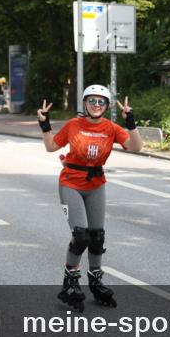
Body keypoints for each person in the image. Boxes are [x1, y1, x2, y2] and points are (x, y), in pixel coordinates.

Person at [37, 85, 143, 311]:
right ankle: (70, 281)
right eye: (92, 101)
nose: (96, 105)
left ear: (106, 106)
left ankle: (95, 279)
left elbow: (136, 147)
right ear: (84, 103)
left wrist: (130, 121)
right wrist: (45, 123)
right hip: (71, 184)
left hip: (96, 185)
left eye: (101, 102)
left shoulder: (111, 128)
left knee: (97, 236)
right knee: (81, 235)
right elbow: (50, 146)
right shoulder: (74, 125)